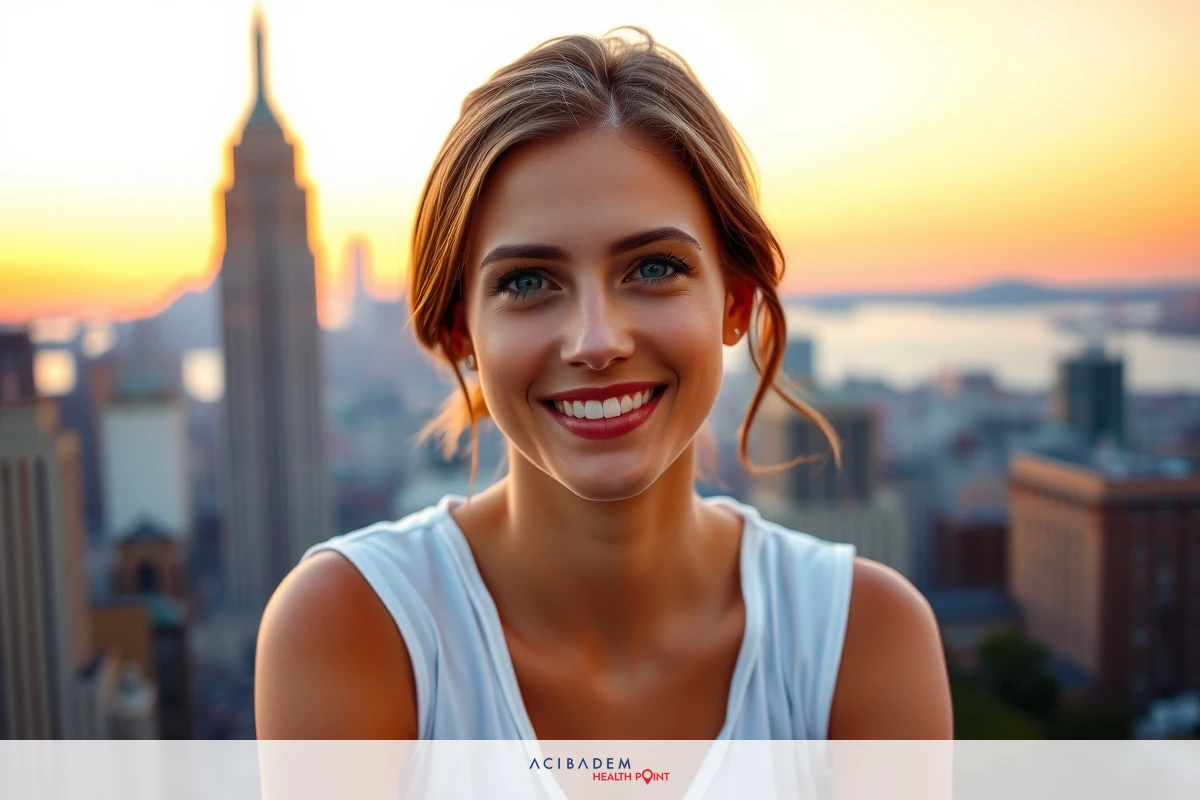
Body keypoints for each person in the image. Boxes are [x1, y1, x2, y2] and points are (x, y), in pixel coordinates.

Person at [255, 28, 952, 742]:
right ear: (463, 333)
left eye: (653, 268)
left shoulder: (863, 639)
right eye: (528, 282)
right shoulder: (353, 624)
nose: (596, 341)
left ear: (735, 303)